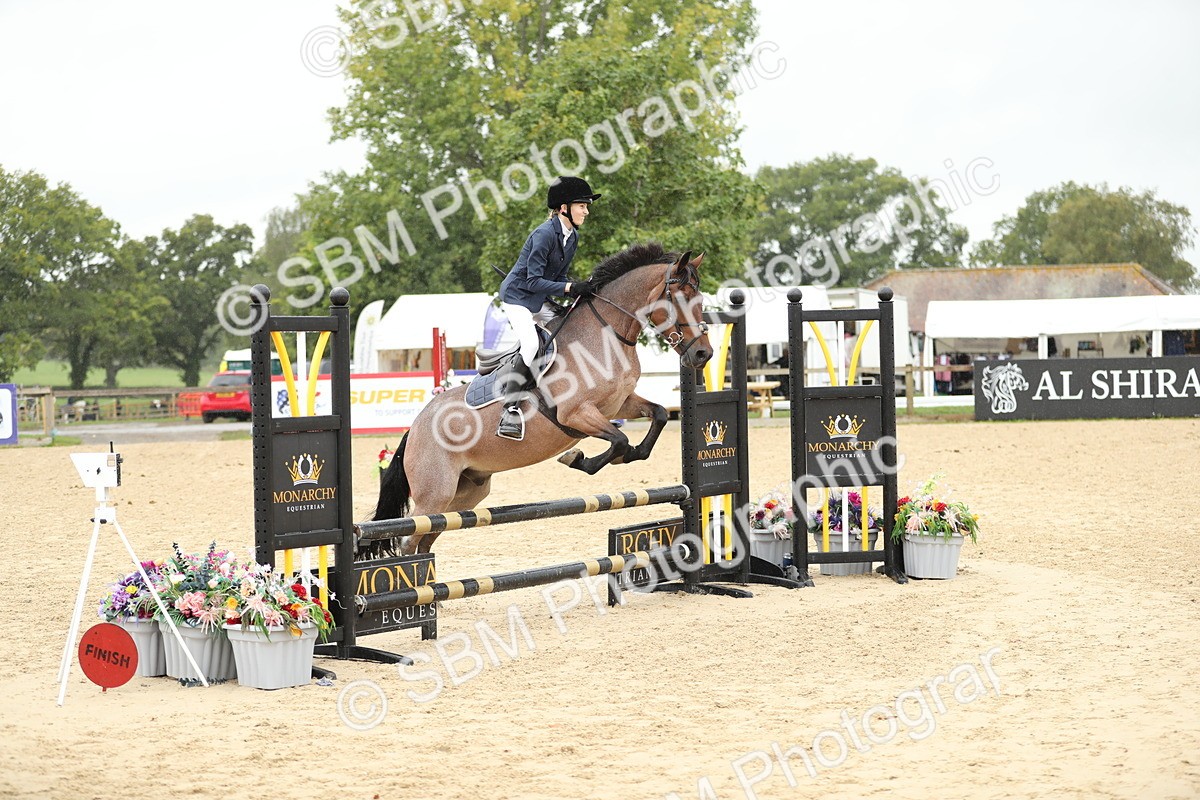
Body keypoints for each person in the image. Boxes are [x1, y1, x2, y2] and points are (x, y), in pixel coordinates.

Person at [495, 175, 601, 440]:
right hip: (518, 298)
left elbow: (560, 277)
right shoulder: (544, 234)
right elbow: (532, 280)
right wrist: (569, 289)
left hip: (539, 298)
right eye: (582, 206)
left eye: (586, 207)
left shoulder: (571, 236)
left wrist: (579, 288)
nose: (586, 211)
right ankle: (510, 408)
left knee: (570, 328)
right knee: (531, 344)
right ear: (564, 207)